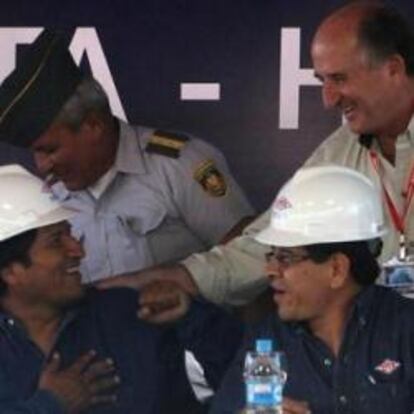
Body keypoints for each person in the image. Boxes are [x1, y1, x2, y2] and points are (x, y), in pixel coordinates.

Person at [96, 1, 414, 315]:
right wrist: (180, 278)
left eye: (340, 79)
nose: (328, 100)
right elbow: (263, 245)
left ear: (394, 69)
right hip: (377, 353)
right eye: (322, 81)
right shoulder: (341, 149)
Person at [0, 29, 254, 283]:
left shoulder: (181, 164)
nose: (42, 166)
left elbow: (246, 263)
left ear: (92, 126)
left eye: (50, 150)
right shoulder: (51, 193)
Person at [0, 165, 243, 414]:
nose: (78, 250)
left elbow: (249, 377)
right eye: (55, 241)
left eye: (70, 234)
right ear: (10, 271)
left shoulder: (133, 311)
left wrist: (193, 319)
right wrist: (50, 406)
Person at [210, 165, 414, 414]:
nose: (270, 270)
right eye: (271, 255)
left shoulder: (404, 328)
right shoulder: (267, 341)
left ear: (337, 269)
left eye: (285, 257)